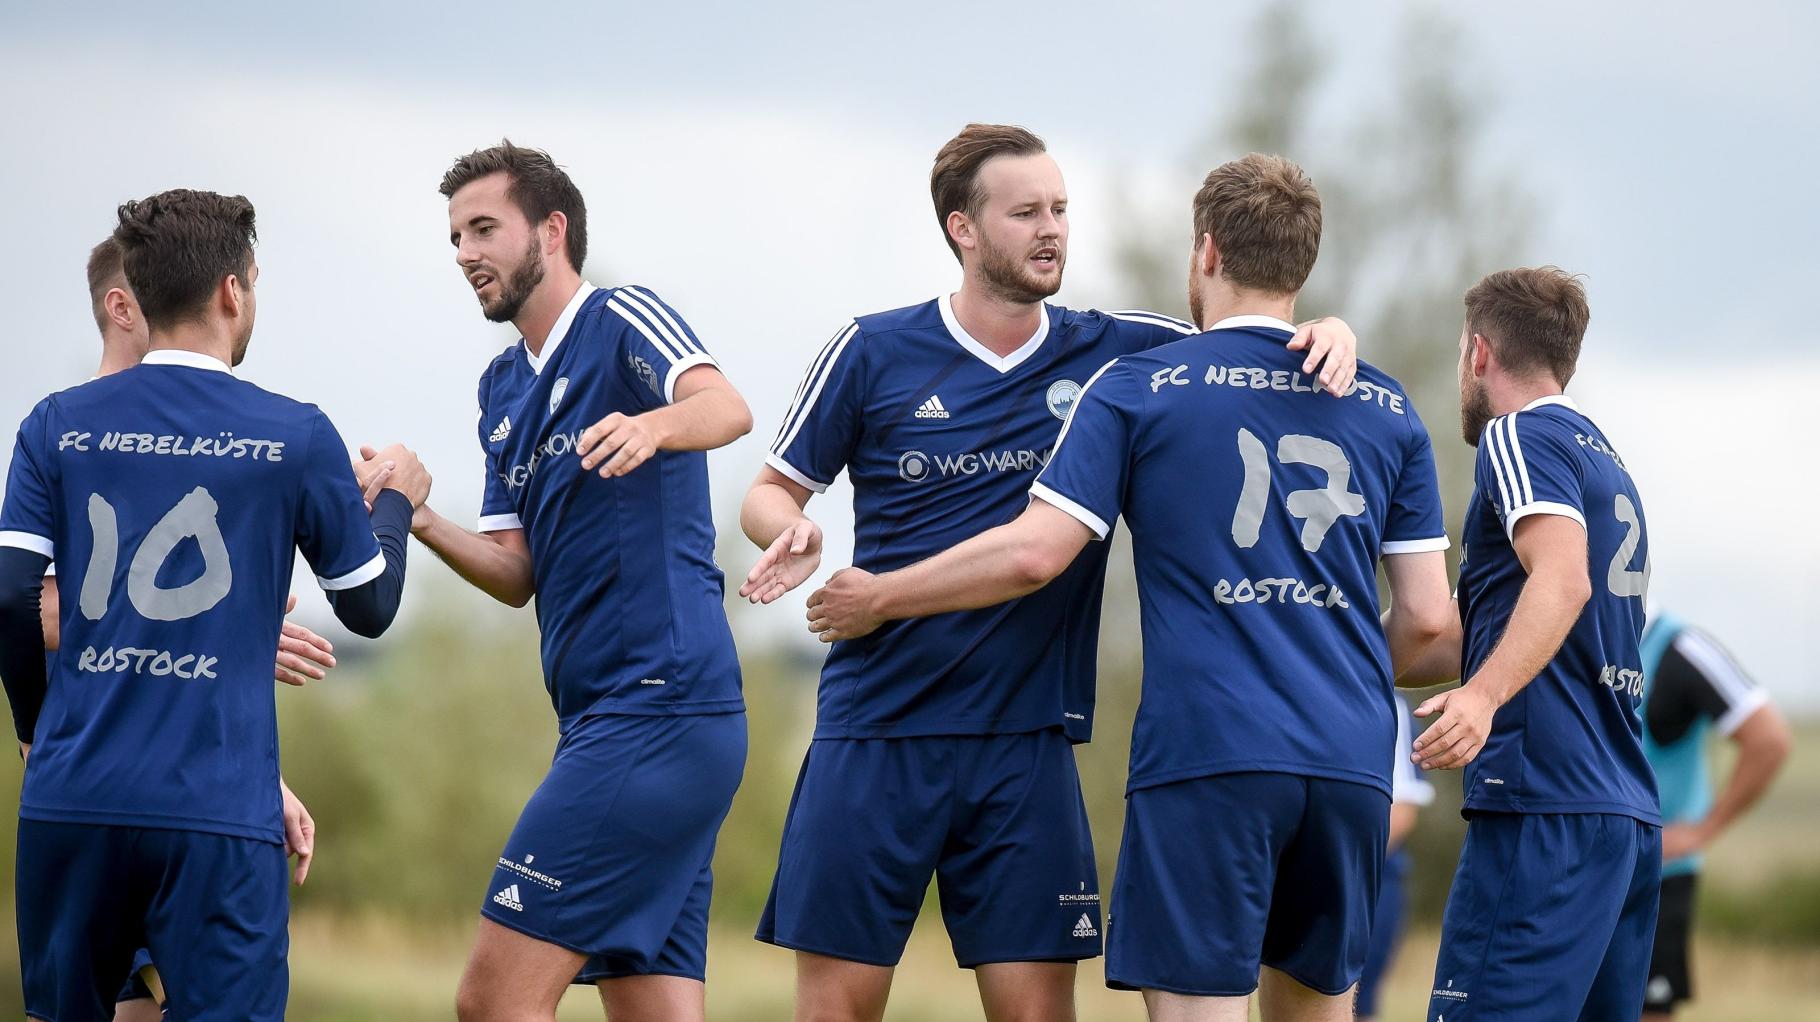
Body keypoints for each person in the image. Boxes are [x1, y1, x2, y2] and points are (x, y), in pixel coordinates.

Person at [800, 152, 1452, 1022]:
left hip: (1210, 752)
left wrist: (878, 596)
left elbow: (1036, 552)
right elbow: (1428, 621)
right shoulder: (1384, 402)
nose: (1053, 227)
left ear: (1206, 251)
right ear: (1304, 260)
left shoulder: (1140, 386)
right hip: (1351, 757)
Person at [0, 188, 422, 1022]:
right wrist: (397, 501)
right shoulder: (295, 432)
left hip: (71, 802)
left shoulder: (55, 424)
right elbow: (369, 606)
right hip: (218, 813)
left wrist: (35, 723)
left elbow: (12, 594)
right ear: (233, 291)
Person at [399, 141, 752, 1022]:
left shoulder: (622, 318)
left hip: (659, 711)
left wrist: (656, 427)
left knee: (491, 1000)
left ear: (550, 231)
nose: (464, 254)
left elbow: (727, 408)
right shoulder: (500, 387)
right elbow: (515, 573)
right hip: (603, 719)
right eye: (454, 237)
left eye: (484, 228)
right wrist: (421, 516)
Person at [47, 236, 347, 1021]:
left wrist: (258, 770)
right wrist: (210, 629)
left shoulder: (185, 446)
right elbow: (30, 607)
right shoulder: (67, 439)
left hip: (179, 795)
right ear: (125, 305)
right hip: (95, 791)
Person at [1403, 266, 1659, 1020]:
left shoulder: (1517, 436)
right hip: (1620, 816)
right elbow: (1456, 638)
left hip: (1545, 809)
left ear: (1479, 354)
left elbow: (1563, 582)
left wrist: (1482, 698)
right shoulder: (1604, 461)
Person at [1638, 613, 1790, 1019]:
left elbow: (1769, 738)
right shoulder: (1575, 636)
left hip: (1657, 879)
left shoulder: (1683, 648)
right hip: (1583, 872)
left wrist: (1704, 829)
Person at [1353, 693, 1435, 1021]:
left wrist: (1340, 865)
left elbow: (1401, 810)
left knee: (1359, 1000)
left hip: (1373, 882)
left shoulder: (1390, 704)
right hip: (1311, 876)